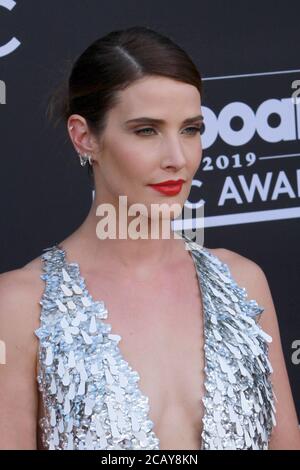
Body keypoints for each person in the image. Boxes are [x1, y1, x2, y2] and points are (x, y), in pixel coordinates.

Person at [0, 26, 299, 451]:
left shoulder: (244, 284)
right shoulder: (17, 307)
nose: (177, 159)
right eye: (147, 130)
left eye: (191, 129)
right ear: (84, 136)